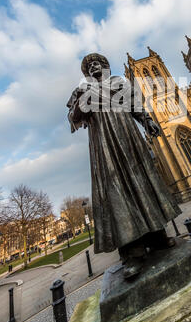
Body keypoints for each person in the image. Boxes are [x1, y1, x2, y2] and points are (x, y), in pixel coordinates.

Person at [67, 53, 181, 279]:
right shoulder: (82, 90)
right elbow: (73, 117)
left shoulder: (119, 83)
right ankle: (133, 253)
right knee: (118, 193)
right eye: (89, 65)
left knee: (142, 182)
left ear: (106, 66)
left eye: (97, 62)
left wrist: (147, 121)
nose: (93, 66)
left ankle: (157, 237)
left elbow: (135, 105)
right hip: (105, 146)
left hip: (128, 138)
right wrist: (84, 100)